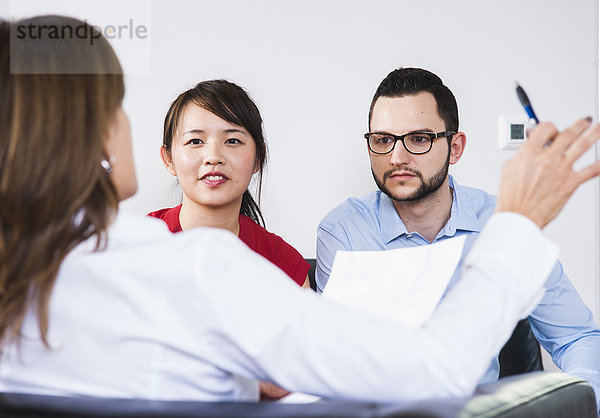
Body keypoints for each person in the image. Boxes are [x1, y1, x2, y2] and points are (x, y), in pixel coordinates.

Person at [1, 16, 599, 403]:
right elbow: (430, 372)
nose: (399, 155)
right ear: (95, 132)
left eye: (233, 139)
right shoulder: (201, 268)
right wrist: (519, 224)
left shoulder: (23, 286)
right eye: (118, 103)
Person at [316, 67, 600, 409]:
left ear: (455, 148)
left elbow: (576, 337)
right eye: (383, 140)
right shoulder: (343, 231)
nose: (396, 158)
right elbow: (337, 361)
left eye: (419, 139)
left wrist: (578, 405)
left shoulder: (506, 221)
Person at [148, 80, 311, 290]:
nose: (213, 157)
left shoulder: (283, 264)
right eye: (195, 141)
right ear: (169, 158)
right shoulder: (138, 245)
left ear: (258, 158)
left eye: (232, 141)